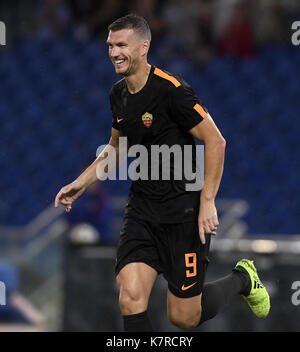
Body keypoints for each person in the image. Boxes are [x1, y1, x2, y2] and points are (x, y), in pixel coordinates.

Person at [54, 14, 270, 332]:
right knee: (130, 297)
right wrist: (81, 183)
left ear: (144, 47)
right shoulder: (119, 95)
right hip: (142, 212)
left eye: (122, 45)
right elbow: (117, 147)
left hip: (183, 215)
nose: (114, 52)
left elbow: (216, 141)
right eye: (110, 45)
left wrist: (207, 201)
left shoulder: (173, 91)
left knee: (184, 317)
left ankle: (242, 278)